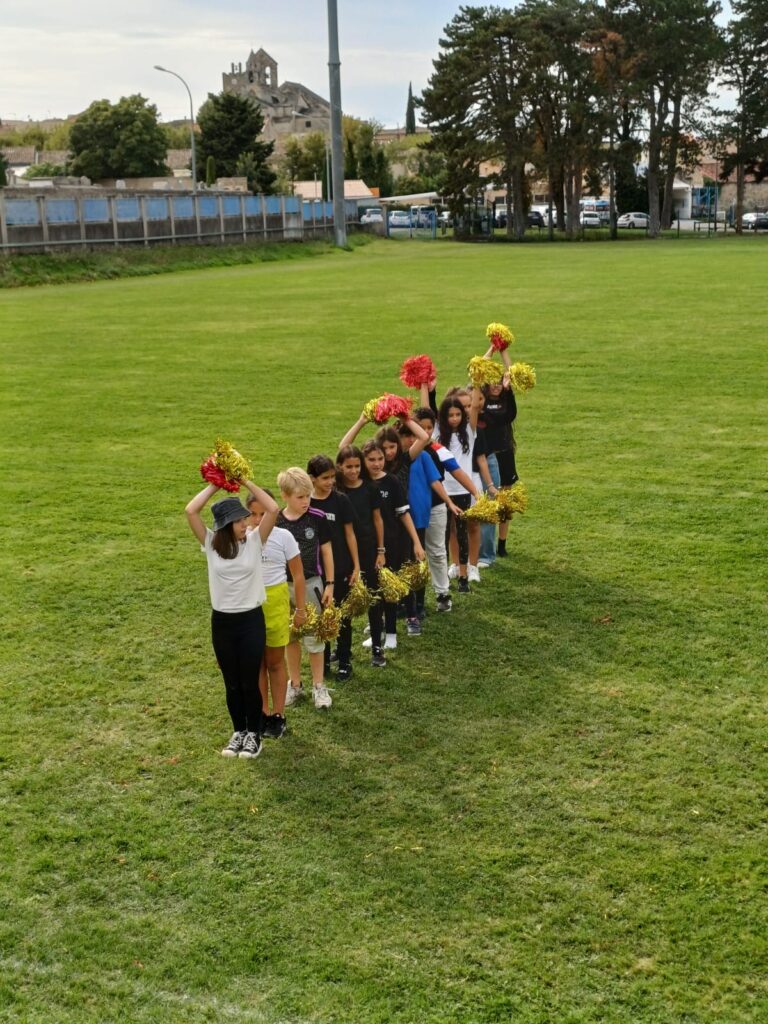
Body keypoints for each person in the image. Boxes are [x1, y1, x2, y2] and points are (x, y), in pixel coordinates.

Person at [185, 478, 278, 759]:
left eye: (244, 519)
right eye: (239, 521)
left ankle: (254, 734)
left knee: (249, 681)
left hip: (250, 621)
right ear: (225, 525)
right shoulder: (211, 543)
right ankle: (239, 731)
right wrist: (215, 484)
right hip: (223, 623)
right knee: (232, 682)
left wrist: (244, 481)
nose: (245, 524)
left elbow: (273, 508)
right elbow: (191, 511)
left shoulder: (254, 541)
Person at [245, 489, 305, 739]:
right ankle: (262, 713)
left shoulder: (284, 536)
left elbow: (298, 575)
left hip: (276, 603)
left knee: (275, 661)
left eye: (263, 514)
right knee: (257, 662)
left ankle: (278, 715)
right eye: (253, 514)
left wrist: (300, 609)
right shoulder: (243, 538)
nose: (258, 520)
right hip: (250, 604)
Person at [276, 467, 335, 709]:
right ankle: (295, 685)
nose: (305, 501)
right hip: (282, 586)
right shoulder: (275, 521)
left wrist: (330, 584)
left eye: (308, 496)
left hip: (312, 585)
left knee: (314, 637)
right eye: (300, 497)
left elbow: (327, 551)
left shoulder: (317, 517)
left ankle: (319, 686)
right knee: (290, 638)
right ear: (285, 495)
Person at [360, 438, 426, 643]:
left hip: (392, 543)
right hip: (366, 545)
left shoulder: (392, 481)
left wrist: (416, 542)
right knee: (373, 589)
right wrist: (362, 422)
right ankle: (377, 629)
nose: (377, 463)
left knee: (391, 586)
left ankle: (393, 633)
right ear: (363, 460)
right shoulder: (359, 482)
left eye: (380, 459)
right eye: (371, 459)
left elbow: (404, 513)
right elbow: (343, 448)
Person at [307, 454, 360, 682]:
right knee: (321, 616)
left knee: (342, 616)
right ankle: (325, 660)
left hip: (340, 568)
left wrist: (356, 566)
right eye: (325, 478)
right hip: (315, 571)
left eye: (332, 477)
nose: (330, 482)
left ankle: (345, 660)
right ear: (312, 478)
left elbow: (350, 534)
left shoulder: (341, 500)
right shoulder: (306, 502)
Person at [335, 444, 387, 667]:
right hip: (342, 553)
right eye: (349, 466)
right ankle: (342, 648)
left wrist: (381, 550)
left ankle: (377, 646)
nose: (354, 470)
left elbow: (377, 519)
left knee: (373, 598)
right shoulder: (336, 490)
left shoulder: (370, 488)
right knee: (342, 601)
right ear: (340, 466)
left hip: (368, 550)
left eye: (357, 466)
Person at [436, 389, 482, 592]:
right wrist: (424, 385)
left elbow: (476, 406)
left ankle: (464, 576)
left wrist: (478, 379)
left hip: (463, 491)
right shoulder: (437, 434)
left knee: (462, 532)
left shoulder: (470, 432)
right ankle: (447, 573)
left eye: (458, 414)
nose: (455, 418)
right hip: (442, 491)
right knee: (445, 533)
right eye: (450, 415)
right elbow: (426, 407)